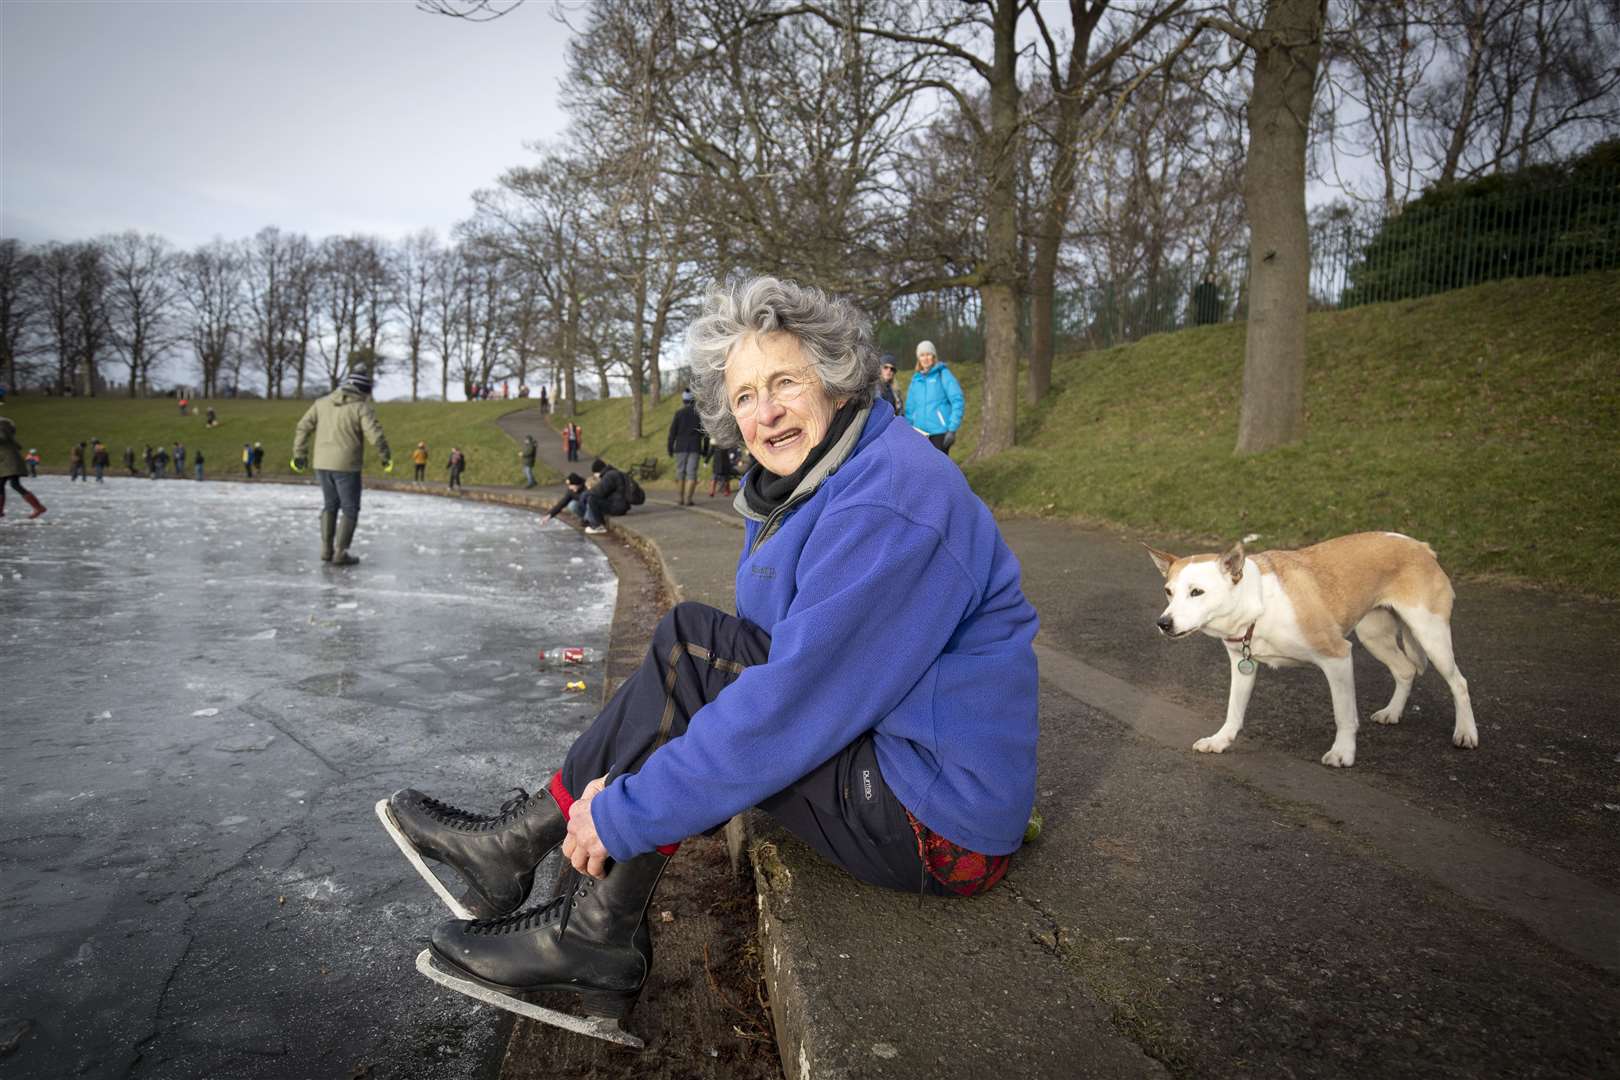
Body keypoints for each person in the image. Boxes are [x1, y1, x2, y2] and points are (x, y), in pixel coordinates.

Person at [380, 277, 1039, 1032]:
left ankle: (560, 897)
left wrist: (625, 812)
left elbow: (788, 704)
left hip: (937, 824)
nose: (767, 412)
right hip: (902, 770)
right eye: (747, 395)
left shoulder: (889, 499)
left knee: (693, 660)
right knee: (692, 645)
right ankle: (555, 885)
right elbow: (763, 653)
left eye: (786, 382)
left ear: (834, 378)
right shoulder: (829, 476)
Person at [292, 370, 392, 567]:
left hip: (321, 464)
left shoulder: (321, 403)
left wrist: (299, 454)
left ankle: (326, 549)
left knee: (330, 505)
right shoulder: (361, 408)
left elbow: (303, 426)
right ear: (362, 390)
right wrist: (385, 456)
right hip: (346, 466)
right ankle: (340, 552)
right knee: (350, 508)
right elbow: (375, 435)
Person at [903, 339, 965, 455]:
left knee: (939, 470)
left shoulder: (943, 374)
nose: (925, 358)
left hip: (939, 433)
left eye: (928, 354)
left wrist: (952, 429)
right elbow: (910, 408)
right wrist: (909, 430)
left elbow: (957, 400)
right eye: (922, 355)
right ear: (918, 358)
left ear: (934, 356)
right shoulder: (916, 379)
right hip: (919, 433)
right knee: (922, 469)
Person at [0, 418, 47, 519]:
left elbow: (3, 437)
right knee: (11, 484)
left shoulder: (2, 427)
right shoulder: (5, 428)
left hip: (9, 462)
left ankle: (39, 507)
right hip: (6, 462)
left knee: (13, 484)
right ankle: (38, 507)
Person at [667, 389, 705, 506]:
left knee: (680, 472)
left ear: (684, 400)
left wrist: (670, 447)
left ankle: (680, 499)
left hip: (680, 447)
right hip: (695, 446)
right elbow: (705, 433)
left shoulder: (679, 413)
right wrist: (706, 449)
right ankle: (688, 500)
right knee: (691, 473)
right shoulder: (699, 414)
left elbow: (672, 432)